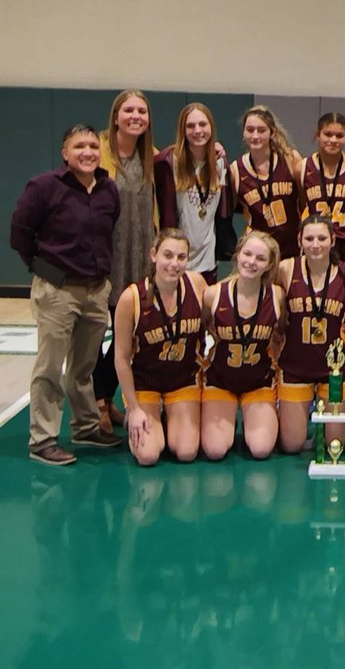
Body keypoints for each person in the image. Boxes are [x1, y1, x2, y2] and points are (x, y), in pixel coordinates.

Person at [10, 123, 123, 464]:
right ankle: (42, 440)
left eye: (93, 146)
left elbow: (110, 229)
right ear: (65, 153)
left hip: (96, 290)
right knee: (50, 368)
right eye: (79, 146)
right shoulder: (44, 187)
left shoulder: (108, 189)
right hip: (57, 291)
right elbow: (20, 234)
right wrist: (46, 271)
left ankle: (85, 427)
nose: (87, 152)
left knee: (84, 367)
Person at [113, 229, 206, 466]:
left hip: (183, 381)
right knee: (148, 455)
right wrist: (133, 408)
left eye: (181, 257)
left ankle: (171, 419)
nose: (174, 263)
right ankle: (147, 415)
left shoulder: (197, 285)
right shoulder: (131, 298)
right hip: (145, 383)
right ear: (153, 254)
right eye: (168, 255)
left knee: (186, 452)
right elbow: (121, 359)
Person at [94, 89, 158, 432]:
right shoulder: (98, 151)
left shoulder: (152, 156)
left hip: (140, 258)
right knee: (95, 338)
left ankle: (106, 395)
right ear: (116, 116)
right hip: (105, 259)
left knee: (130, 338)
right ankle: (98, 404)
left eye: (142, 111)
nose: (135, 116)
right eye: (129, 110)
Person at [275, 214, 345, 453]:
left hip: (334, 369)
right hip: (295, 367)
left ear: (333, 240)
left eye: (322, 238)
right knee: (292, 445)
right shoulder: (285, 269)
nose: (316, 245)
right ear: (299, 240)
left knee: (336, 446)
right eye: (309, 238)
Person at [201, 229, 284, 460]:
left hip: (258, 383)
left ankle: (256, 417)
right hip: (220, 382)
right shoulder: (212, 295)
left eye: (260, 258)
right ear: (237, 254)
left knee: (261, 449)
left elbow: (281, 335)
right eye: (247, 254)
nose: (251, 262)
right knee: (215, 451)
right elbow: (203, 330)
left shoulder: (277, 297)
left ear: (269, 265)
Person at [155, 102, 232, 284]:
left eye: (203, 124)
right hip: (177, 261)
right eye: (190, 126)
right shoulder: (169, 162)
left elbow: (224, 212)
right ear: (183, 130)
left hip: (208, 262)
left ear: (211, 127)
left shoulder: (220, 163)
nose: (197, 131)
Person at [230, 105, 303, 261]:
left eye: (261, 130)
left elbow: (304, 202)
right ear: (243, 132)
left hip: (293, 248)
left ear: (272, 132)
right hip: (259, 252)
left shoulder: (290, 159)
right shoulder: (236, 170)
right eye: (250, 130)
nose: (255, 135)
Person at [300, 111, 345, 272]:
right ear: (318, 135)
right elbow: (302, 205)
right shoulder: (302, 168)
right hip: (317, 244)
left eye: (339, 135)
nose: (333, 140)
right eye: (328, 134)